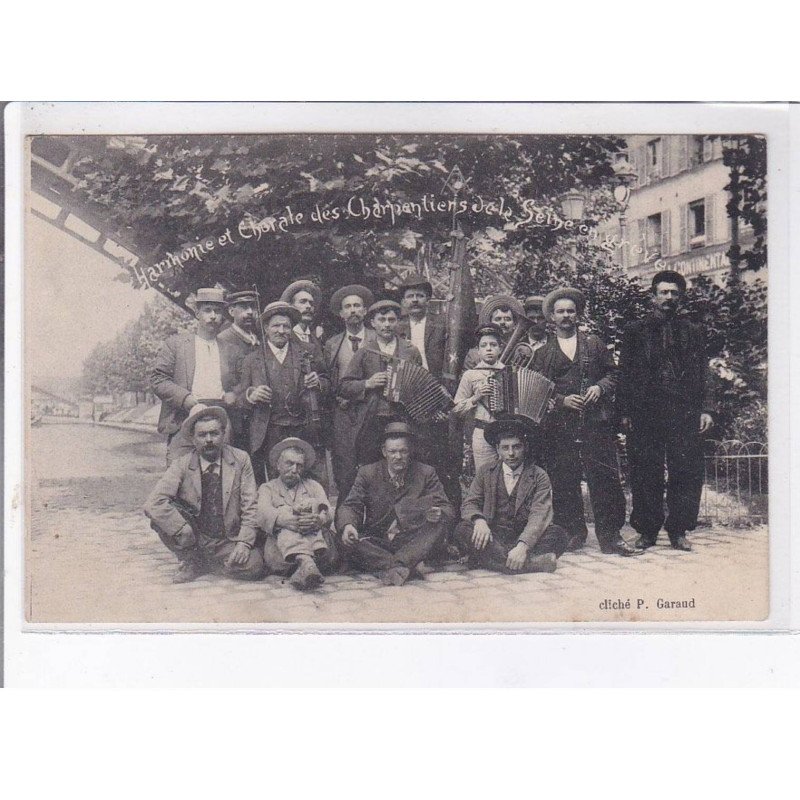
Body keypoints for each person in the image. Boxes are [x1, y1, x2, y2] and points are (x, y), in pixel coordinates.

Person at [532, 287, 636, 556]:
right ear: (551, 318)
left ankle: (611, 536)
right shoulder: (543, 354)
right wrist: (561, 399)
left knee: (605, 478)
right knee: (563, 479)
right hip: (559, 426)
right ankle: (573, 532)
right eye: (560, 312)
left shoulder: (594, 344)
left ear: (577, 315)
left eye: (570, 311)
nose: (566, 316)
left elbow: (614, 375)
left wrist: (600, 388)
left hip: (595, 422)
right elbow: (536, 388)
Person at [618, 270, 714, 552]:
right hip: (645, 412)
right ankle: (647, 531)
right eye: (663, 292)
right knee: (645, 470)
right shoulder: (635, 331)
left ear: (680, 297)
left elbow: (703, 371)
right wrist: (624, 411)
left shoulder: (693, 332)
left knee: (685, 470)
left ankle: (679, 530)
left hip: (683, 411)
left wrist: (706, 408)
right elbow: (625, 373)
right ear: (653, 296)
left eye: (674, 293)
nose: (669, 298)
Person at [144, 404, 265, 583]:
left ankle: (206, 563)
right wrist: (180, 527)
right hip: (194, 537)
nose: (209, 440)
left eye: (214, 433)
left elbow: (250, 506)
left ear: (223, 434)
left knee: (255, 566)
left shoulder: (241, 460)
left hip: (227, 539)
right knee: (160, 519)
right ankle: (192, 559)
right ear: (193, 438)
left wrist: (244, 543)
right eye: (202, 435)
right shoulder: (181, 464)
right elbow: (153, 502)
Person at [336, 422, 454, 586]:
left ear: (410, 451)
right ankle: (406, 565)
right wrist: (348, 525)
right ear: (384, 452)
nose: (398, 456)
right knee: (344, 538)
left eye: (403, 451)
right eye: (392, 451)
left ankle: (392, 565)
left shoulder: (426, 472)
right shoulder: (367, 473)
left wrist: (439, 512)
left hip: (413, 539)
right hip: (379, 540)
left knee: (439, 525)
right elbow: (351, 505)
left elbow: (447, 507)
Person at [455, 415, 569, 573]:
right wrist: (480, 521)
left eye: (516, 447)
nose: (511, 453)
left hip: (522, 534)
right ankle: (532, 564)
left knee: (558, 534)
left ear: (525, 447)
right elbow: (470, 503)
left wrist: (523, 546)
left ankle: (491, 559)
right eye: (505, 448)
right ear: (497, 449)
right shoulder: (486, 471)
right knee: (463, 529)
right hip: (493, 534)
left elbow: (540, 513)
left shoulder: (538, 475)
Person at [235, 301, 329, 485]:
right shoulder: (252, 359)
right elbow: (239, 398)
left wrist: (318, 383)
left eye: (286, 326)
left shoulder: (307, 351)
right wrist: (251, 395)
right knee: (275, 480)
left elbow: (328, 381)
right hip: (270, 430)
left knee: (311, 479)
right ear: (266, 328)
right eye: (276, 326)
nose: (281, 330)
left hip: (305, 427)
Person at [337, 299, 422, 497]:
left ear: (399, 323)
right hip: (372, 421)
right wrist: (367, 383)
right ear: (372, 323)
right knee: (372, 469)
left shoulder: (410, 351)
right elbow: (344, 386)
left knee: (404, 468)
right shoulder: (365, 352)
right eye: (381, 320)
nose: (386, 324)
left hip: (402, 419)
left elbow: (420, 383)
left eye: (391, 320)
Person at [150, 287, 240, 465]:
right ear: (197, 313)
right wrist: (186, 399)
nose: (213, 316)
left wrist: (234, 393)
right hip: (184, 418)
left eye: (217, 311)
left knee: (219, 478)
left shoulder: (231, 350)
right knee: (178, 478)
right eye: (207, 310)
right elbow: (158, 379)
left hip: (219, 420)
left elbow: (241, 382)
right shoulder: (176, 345)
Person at [257, 437, 340, 590]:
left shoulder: (313, 486)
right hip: (282, 554)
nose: (294, 470)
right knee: (283, 513)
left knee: (314, 508)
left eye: (299, 466)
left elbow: (327, 510)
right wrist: (286, 521)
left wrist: (319, 519)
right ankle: (307, 564)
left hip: (316, 548)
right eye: (289, 464)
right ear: (278, 465)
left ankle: (303, 569)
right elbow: (262, 513)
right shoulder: (267, 488)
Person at [323, 284, 376, 497]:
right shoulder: (332, 344)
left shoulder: (376, 338)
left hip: (371, 409)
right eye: (348, 307)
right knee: (344, 468)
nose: (353, 310)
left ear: (364, 311)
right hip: (343, 412)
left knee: (371, 464)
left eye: (357, 306)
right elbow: (328, 378)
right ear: (341, 313)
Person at [451, 324, 504, 472]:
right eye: (484, 345)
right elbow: (456, 409)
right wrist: (476, 397)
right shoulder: (470, 375)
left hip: (506, 432)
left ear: (500, 348)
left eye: (493, 345)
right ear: (478, 350)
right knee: (485, 475)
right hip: (482, 432)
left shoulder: (509, 372)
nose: (488, 349)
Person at [217, 289, 261, 450]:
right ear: (231, 311)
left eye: (252, 307)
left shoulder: (258, 339)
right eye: (243, 307)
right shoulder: (224, 339)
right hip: (237, 417)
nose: (250, 312)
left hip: (259, 415)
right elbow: (224, 382)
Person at [396, 274, 447, 378]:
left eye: (420, 295)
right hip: (407, 383)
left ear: (428, 301)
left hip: (436, 383)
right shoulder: (397, 327)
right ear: (403, 302)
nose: (415, 300)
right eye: (410, 296)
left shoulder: (442, 324)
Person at [462, 294, 524, 370]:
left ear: (515, 324)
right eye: (498, 319)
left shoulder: (520, 352)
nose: (502, 323)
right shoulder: (474, 355)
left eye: (507, 319)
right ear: (490, 322)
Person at [280, 279, 325, 361]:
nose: (308, 306)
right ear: (291, 306)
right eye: (303, 302)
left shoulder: (316, 339)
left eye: (311, 303)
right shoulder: (283, 336)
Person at [509, 295, 548, 366]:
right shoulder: (516, 345)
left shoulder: (556, 343)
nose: (536, 322)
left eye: (541, 318)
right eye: (531, 318)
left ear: (547, 320)